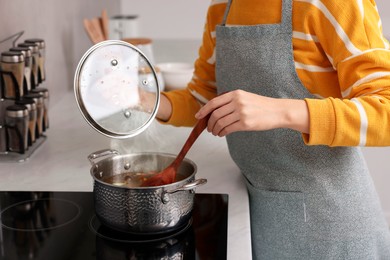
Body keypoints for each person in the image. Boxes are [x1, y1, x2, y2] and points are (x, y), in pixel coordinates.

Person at [153, 0, 390, 258]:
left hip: (332, 226)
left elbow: (385, 110)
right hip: (261, 214)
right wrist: (145, 101)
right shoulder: (221, 7)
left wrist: (280, 111)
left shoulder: (332, 4)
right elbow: (206, 98)